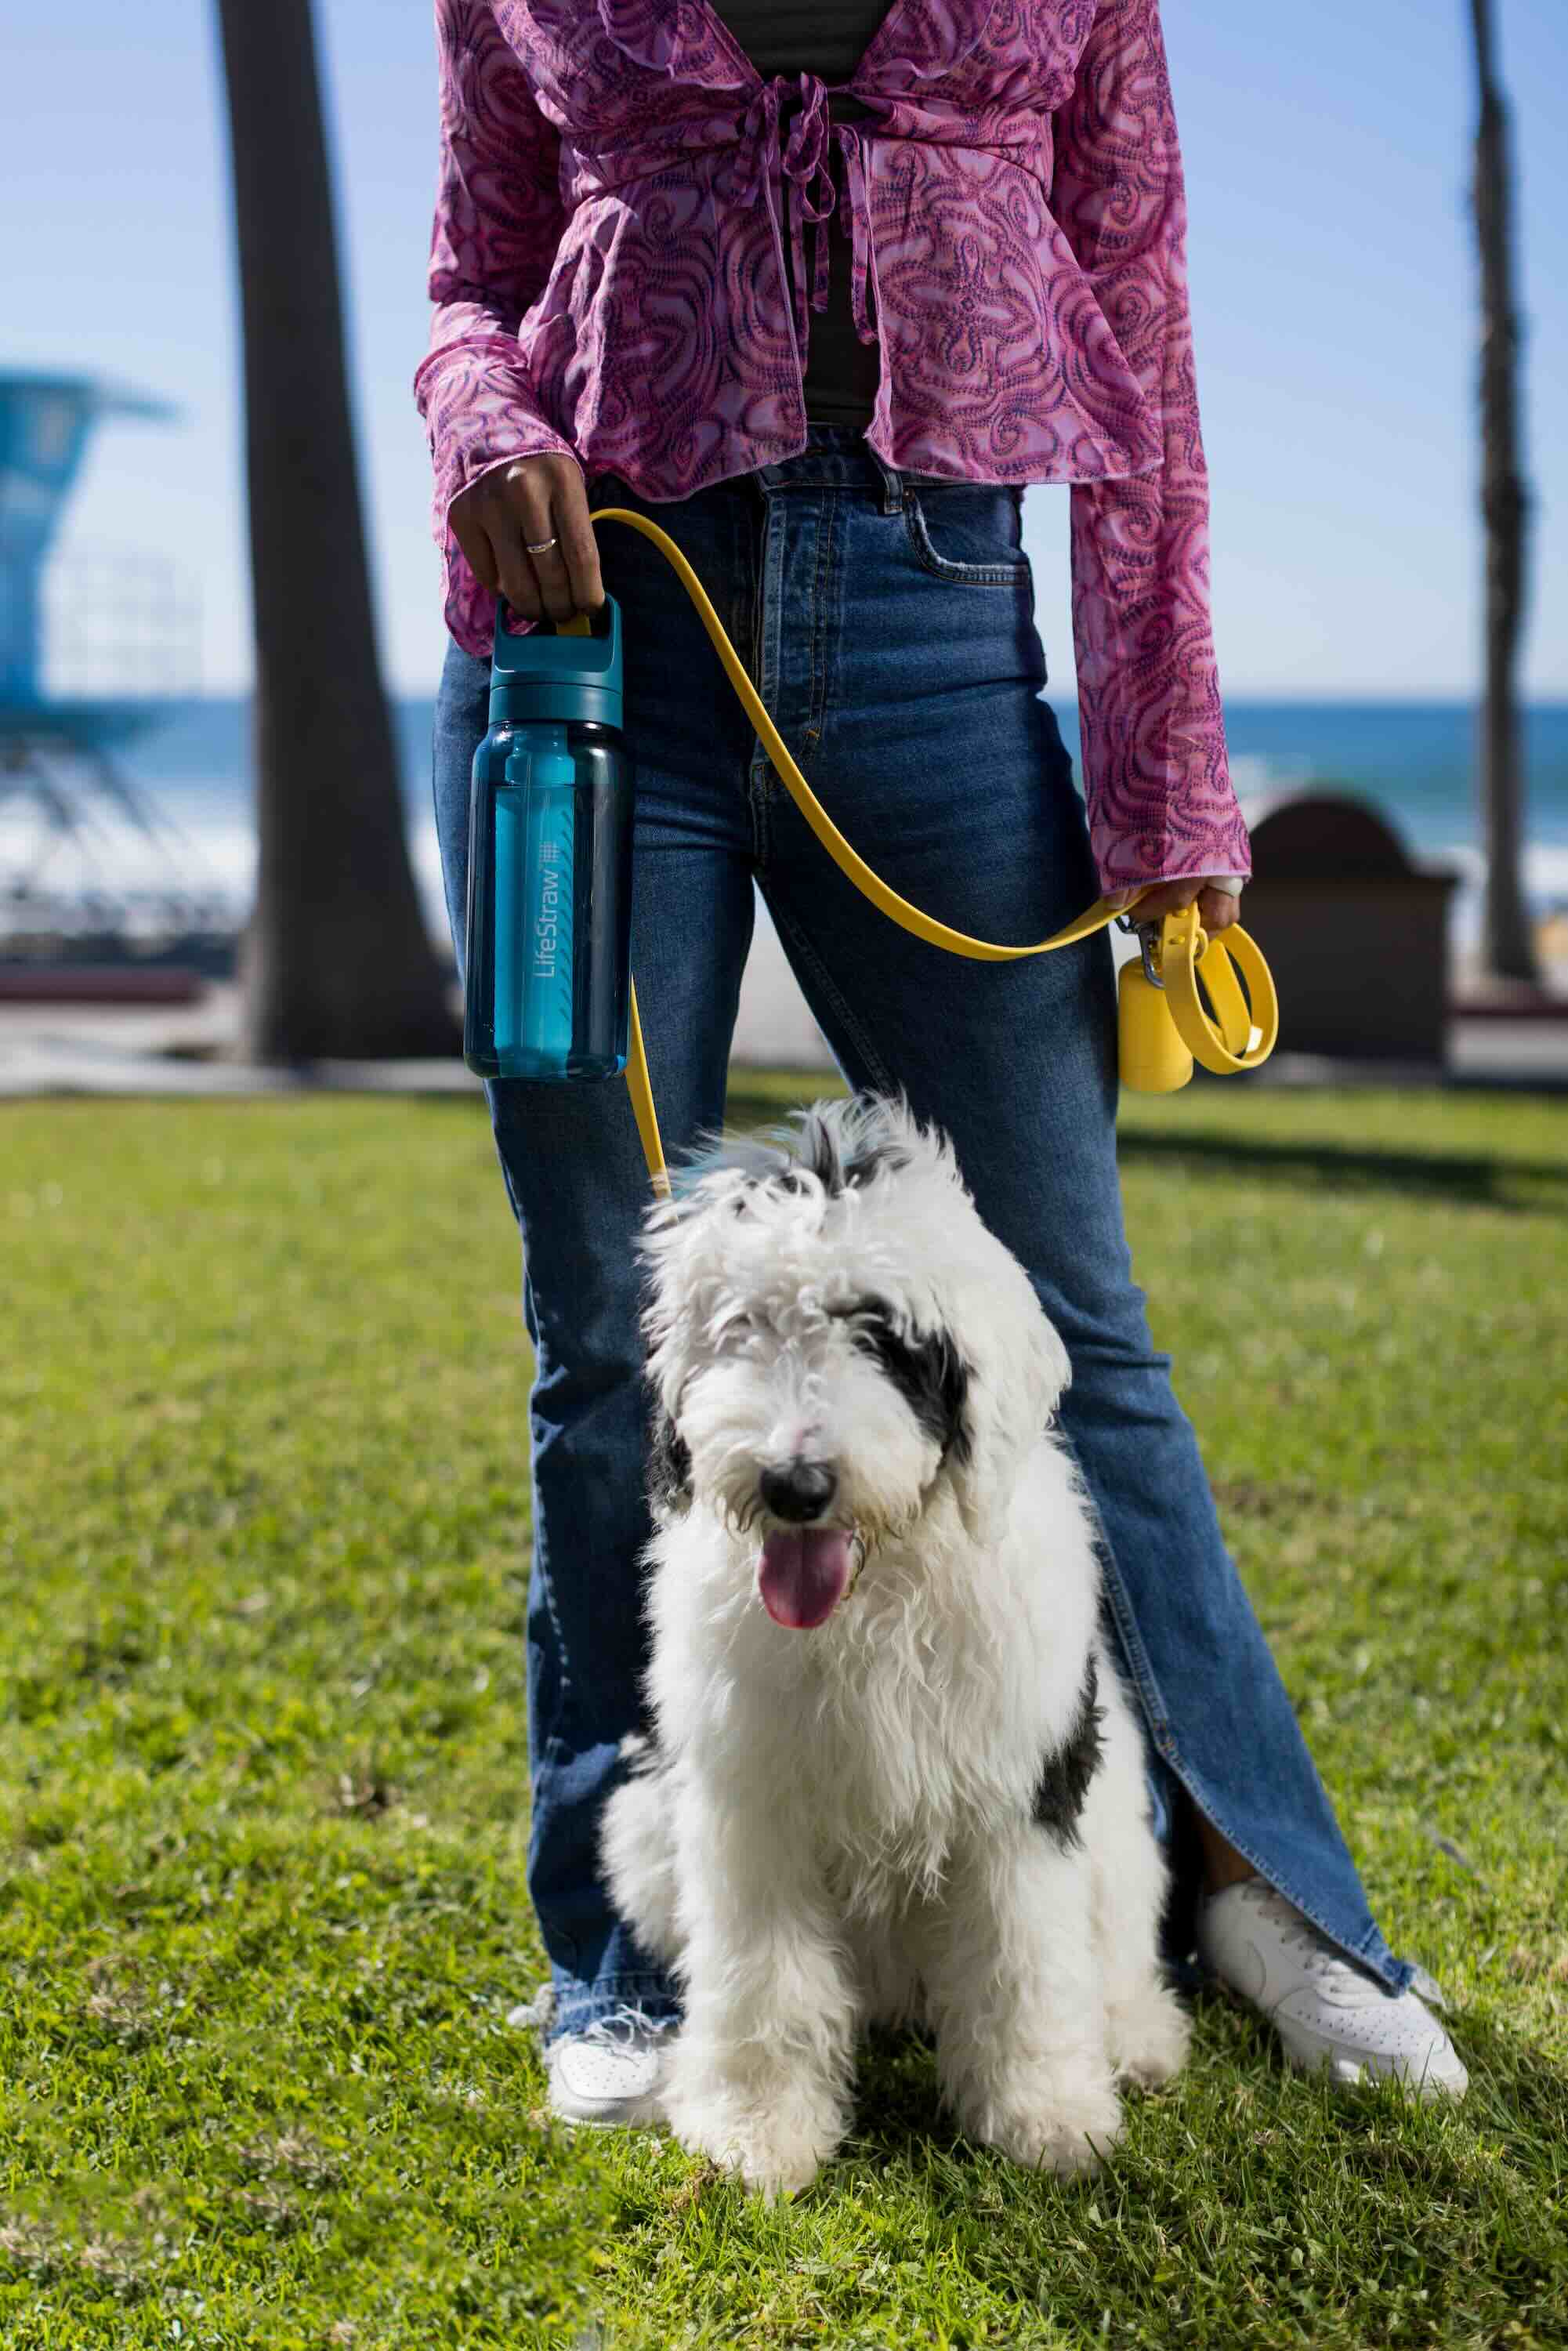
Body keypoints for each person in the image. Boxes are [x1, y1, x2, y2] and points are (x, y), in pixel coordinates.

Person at [416, 0, 1467, 2126]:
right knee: (604, 1340)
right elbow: (471, 278)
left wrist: (1165, 782)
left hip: (933, 621)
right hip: (597, 634)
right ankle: (624, 1965)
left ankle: (1263, 1893)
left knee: (1081, 1322)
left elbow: (1137, 316)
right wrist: (481, 422)